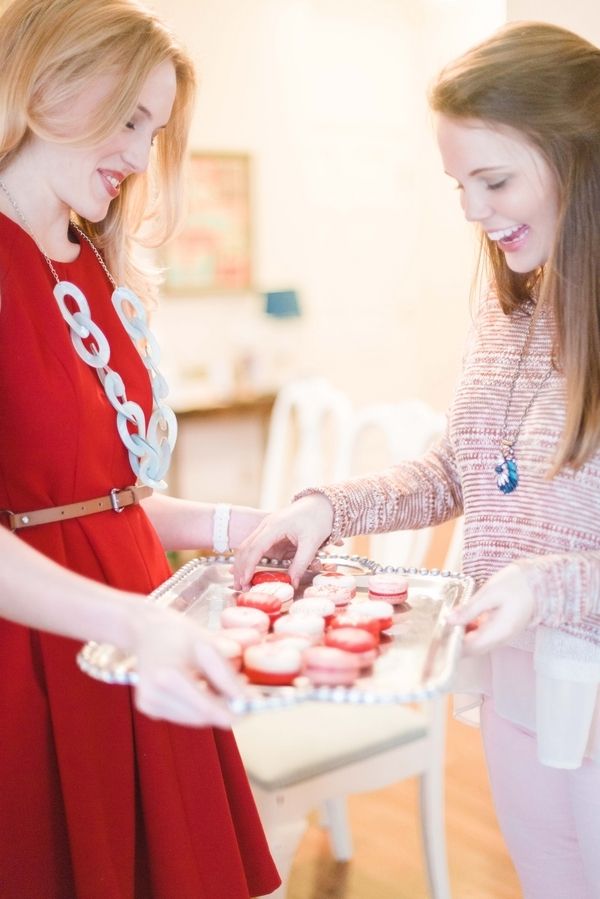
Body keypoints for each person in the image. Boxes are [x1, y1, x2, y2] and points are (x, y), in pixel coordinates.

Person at [234, 20, 600, 899]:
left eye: (496, 179)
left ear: (580, 159)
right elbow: (458, 471)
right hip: (523, 685)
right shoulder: (509, 315)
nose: (473, 212)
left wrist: (545, 583)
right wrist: (327, 506)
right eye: (459, 184)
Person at [0, 0, 280, 896]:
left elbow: (100, 497)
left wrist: (241, 523)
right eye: (129, 118)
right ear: (46, 85)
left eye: (153, 130)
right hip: (44, 652)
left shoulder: (94, 262)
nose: (139, 153)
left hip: (141, 633)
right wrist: (132, 623)